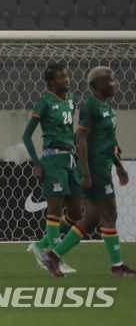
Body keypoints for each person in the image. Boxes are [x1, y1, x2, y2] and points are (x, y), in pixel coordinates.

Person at [41, 67, 136, 277]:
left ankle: (52, 257)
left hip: (103, 166)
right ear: (99, 84)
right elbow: (80, 139)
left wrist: (118, 165)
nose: (116, 83)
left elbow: (107, 141)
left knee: (92, 218)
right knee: (109, 214)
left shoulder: (107, 105)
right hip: (94, 169)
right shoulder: (90, 106)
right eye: (111, 80)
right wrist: (86, 174)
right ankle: (117, 267)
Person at [23, 63, 84, 274]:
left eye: (67, 76)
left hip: (70, 159)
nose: (67, 79)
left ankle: (40, 246)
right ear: (51, 81)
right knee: (55, 211)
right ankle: (56, 259)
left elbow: (70, 130)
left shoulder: (71, 98)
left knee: (76, 212)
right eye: (61, 77)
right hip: (53, 160)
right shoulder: (45, 101)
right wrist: (37, 163)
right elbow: (26, 135)